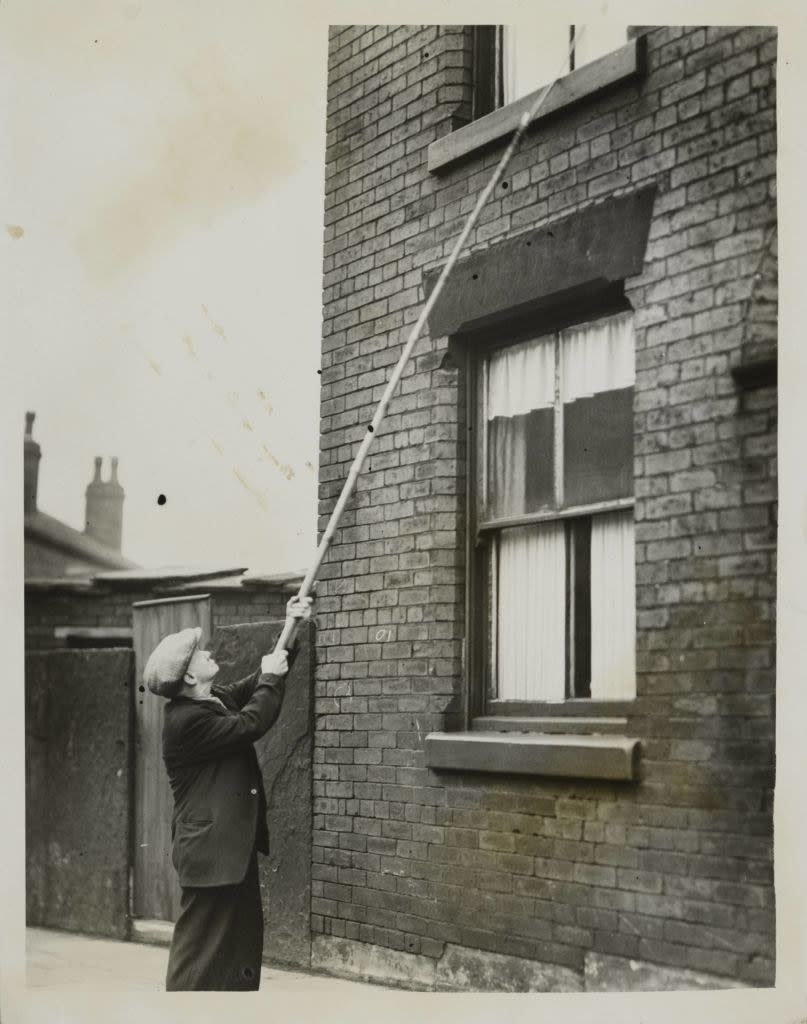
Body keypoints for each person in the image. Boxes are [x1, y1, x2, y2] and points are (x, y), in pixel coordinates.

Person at [143, 595, 313, 991]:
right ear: (188, 677)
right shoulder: (185, 722)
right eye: (199, 654)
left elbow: (257, 683)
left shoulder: (211, 698)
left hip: (230, 850)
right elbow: (253, 720)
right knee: (197, 958)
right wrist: (269, 677)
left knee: (238, 953)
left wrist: (290, 629)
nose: (207, 653)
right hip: (211, 854)